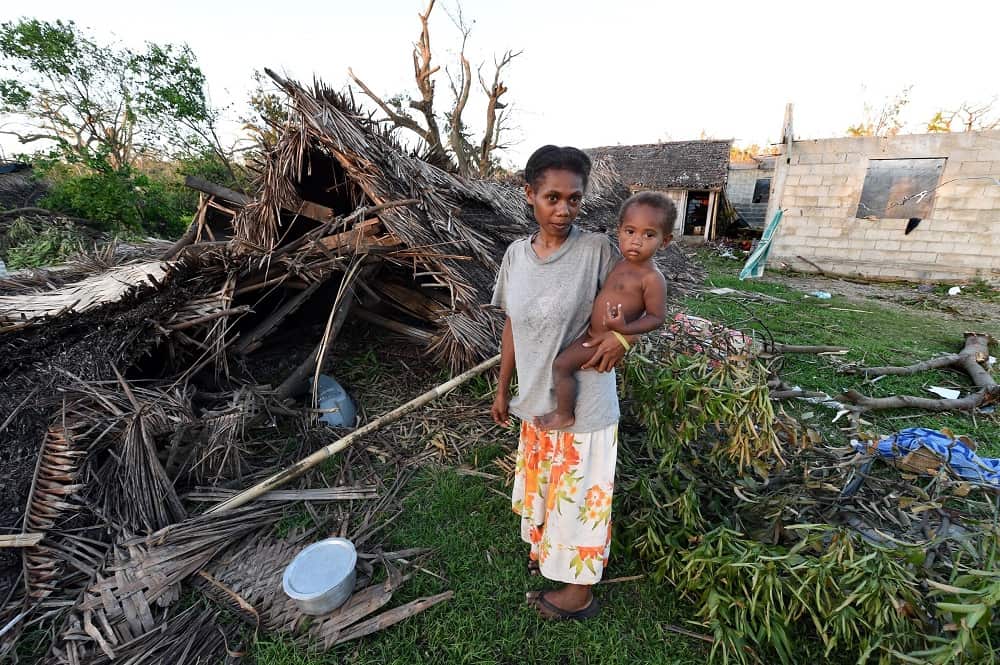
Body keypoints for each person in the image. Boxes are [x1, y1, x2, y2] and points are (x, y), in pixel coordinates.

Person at [490, 145, 635, 620]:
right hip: (536, 401)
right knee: (549, 491)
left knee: (577, 501)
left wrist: (623, 338)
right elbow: (512, 324)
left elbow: (637, 296)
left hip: (585, 405)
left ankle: (579, 593)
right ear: (529, 194)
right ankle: (547, 555)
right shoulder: (516, 256)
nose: (564, 209)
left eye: (574, 199)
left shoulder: (596, 251)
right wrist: (503, 388)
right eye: (552, 197)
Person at [534, 192, 675, 431]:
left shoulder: (652, 278)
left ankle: (564, 414)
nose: (636, 241)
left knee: (561, 365)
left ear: (665, 241)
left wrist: (625, 330)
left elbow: (657, 317)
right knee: (555, 358)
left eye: (649, 235)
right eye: (630, 231)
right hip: (589, 333)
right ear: (619, 231)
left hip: (600, 340)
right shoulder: (618, 262)